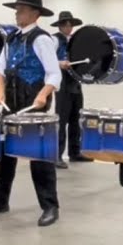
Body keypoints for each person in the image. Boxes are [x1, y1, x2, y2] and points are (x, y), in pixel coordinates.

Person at [0, 0, 62, 227]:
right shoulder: (11, 39)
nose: (17, 13)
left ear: (34, 14)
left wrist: (43, 95)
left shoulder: (42, 39)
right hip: (10, 103)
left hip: (34, 102)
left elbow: (54, 74)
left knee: (39, 156)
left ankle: (50, 206)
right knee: (5, 153)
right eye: (17, 9)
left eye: (21, 10)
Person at [51, 10, 91, 168]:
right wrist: (59, 63)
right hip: (62, 84)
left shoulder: (76, 40)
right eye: (65, 25)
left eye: (70, 25)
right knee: (61, 121)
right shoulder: (54, 39)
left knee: (76, 120)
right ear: (60, 25)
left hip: (75, 83)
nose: (68, 27)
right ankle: (57, 155)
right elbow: (46, 58)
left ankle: (75, 152)